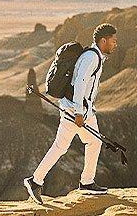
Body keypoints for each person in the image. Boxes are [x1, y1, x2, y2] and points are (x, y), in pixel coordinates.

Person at [24, 23, 119, 204]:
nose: (116, 44)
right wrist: (78, 112)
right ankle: (35, 181)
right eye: (113, 41)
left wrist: (85, 110)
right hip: (75, 110)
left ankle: (86, 182)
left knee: (93, 141)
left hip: (83, 110)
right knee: (61, 147)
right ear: (103, 40)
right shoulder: (91, 58)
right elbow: (80, 83)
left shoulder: (95, 57)